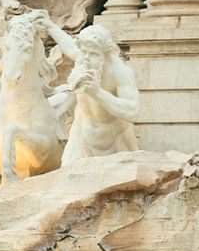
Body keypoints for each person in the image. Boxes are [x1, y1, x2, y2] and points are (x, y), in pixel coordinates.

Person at [36, 13, 141, 162]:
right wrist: (50, 26)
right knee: (68, 180)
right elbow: (68, 45)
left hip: (117, 140)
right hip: (81, 137)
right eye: (83, 51)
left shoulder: (120, 72)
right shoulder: (84, 58)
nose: (84, 57)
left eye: (91, 54)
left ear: (106, 54)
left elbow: (132, 111)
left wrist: (97, 92)